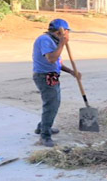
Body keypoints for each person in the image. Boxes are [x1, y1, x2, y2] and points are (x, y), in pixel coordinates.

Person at [31, 19, 81, 147]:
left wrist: (71, 71)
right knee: (51, 105)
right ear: (61, 32)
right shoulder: (45, 40)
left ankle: (42, 126)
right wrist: (62, 44)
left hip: (52, 75)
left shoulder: (54, 41)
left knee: (54, 103)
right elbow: (51, 59)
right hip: (44, 76)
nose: (69, 35)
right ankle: (45, 136)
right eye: (67, 32)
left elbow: (58, 63)